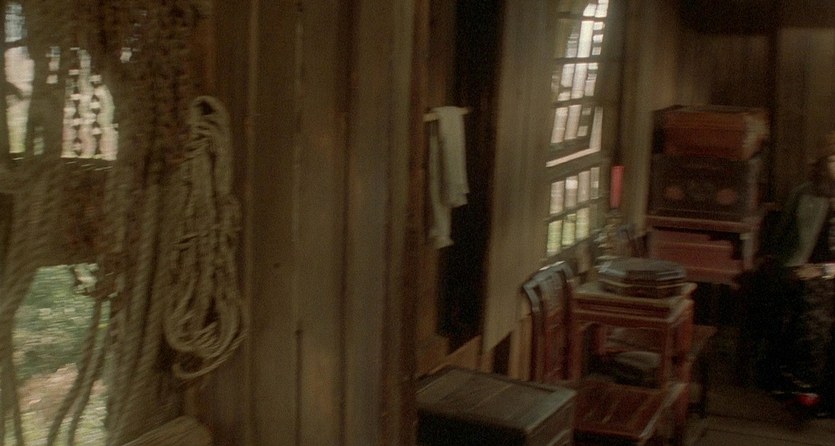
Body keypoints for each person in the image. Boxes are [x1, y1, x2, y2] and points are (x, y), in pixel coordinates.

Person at [739, 134, 835, 417]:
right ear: (822, 163)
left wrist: (822, 270)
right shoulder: (804, 194)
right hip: (799, 268)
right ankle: (787, 383)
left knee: (815, 304)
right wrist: (779, 264)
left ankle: (811, 390)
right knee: (775, 295)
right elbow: (782, 239)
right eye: (833, 160)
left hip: (827, 274)